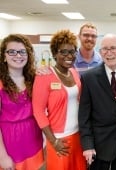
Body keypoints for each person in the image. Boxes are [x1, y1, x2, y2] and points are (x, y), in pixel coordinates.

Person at [78, 33, 116, 170]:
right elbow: (84, 116)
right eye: (105, 49)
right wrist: (87, 145)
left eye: (114, 48)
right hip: (99, 144)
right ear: (100, 52)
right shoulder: (89, 78)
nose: (109, 53)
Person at [32, 29, 86, 170]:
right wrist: (53, 141)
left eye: (73, 51)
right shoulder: (45, 76)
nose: (69, 56)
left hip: (78, 135)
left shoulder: (74, 73)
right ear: (55, 54)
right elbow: (38, 111)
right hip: (59, 137)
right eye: (63, 52)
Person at [0, 34, 44, 170]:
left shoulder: (35, 79)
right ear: (4, 56)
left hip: (34, 143)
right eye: (11, 51)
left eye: (22, 51)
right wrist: (2, 156)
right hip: (10, 148)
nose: (18, 55)